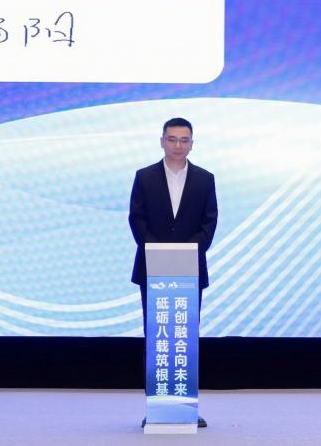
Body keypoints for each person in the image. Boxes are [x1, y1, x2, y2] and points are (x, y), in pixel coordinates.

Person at [129, 117, 218, 429]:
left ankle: (184, 407)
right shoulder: (144, 177)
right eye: (172, 139)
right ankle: (157, 407)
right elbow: (136, 218)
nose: (178, 145)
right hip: (153, 269)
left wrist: (186, 252)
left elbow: (209, 221)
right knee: (158, 339)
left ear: (192, 144)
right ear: (162, 141)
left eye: (184, 140)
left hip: (189, 270)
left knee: (184, 339)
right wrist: (159, 252)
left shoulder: (205, 179)